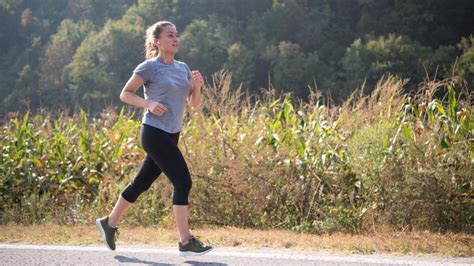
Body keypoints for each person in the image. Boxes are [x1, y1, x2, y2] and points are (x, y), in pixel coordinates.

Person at [95, 21, 213, 256]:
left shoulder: (183, 68)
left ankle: (109, 223)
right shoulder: (149, 67)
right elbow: (125, 94)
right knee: (183, 182)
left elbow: (194, 105)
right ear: (157, 41)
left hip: (172, 134)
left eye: (177, 35)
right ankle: (185, 241)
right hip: (153, 132)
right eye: (170, 35)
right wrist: (148, 103)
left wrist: (197, 86)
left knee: (141, 183)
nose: (175, 39)